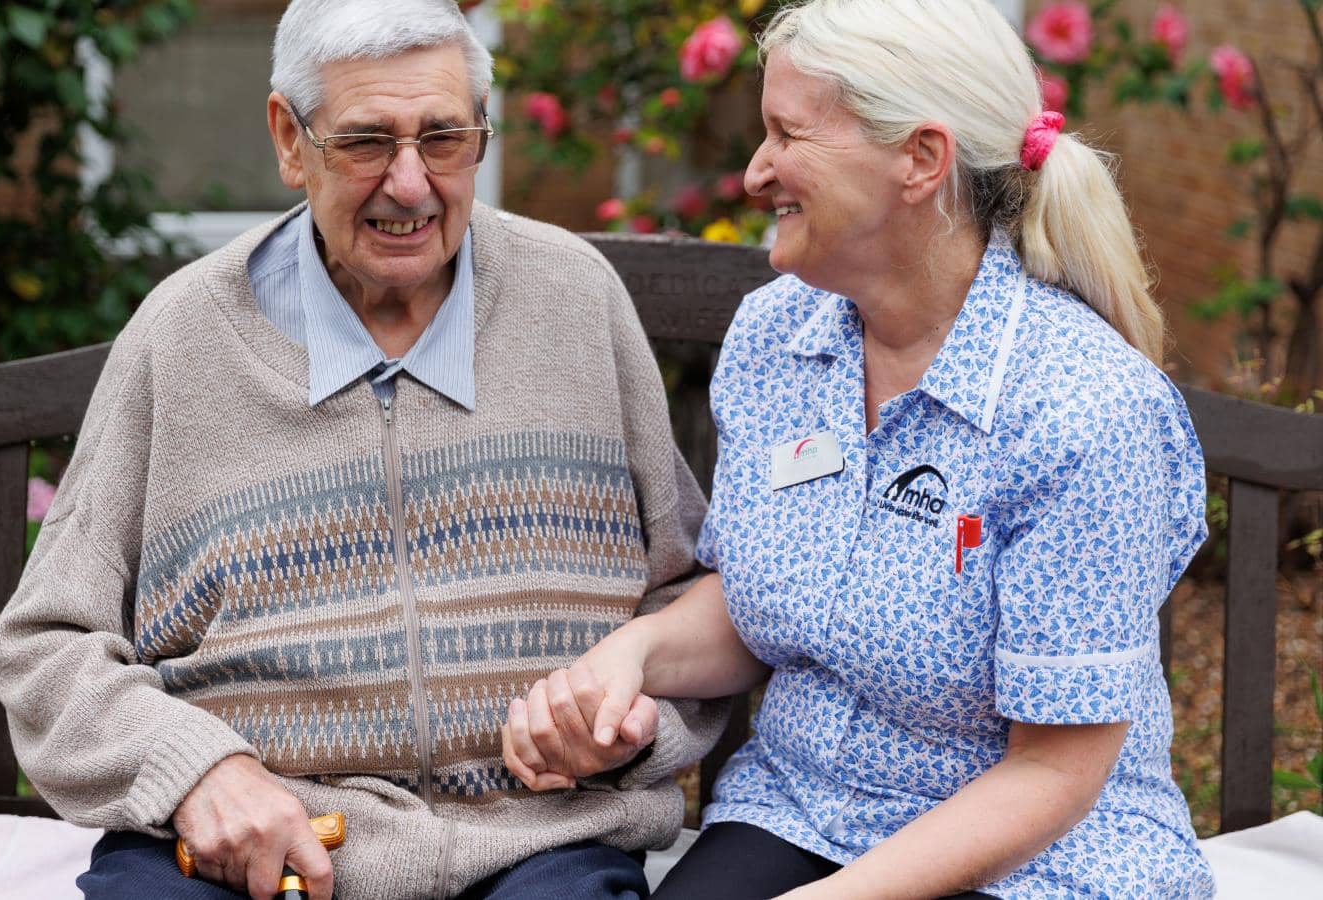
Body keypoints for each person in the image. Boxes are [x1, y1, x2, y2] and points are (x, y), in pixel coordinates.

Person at [0, 2, 726, 898]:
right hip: (248, 857)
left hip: (536, 844)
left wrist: (628, 721)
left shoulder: (575, 301)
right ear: (289, 141)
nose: (410, 184)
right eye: (368, 141)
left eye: (444, 138)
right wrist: (198, 770)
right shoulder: (182, 337)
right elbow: (46, 647)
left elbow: (686, 594)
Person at [502, 1, 1214, 897]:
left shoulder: (1082, 409)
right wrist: (631, 658)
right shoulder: (780, 334)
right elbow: (757, 596)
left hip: (1044, 856)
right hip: (805, 810)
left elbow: (1055, 774)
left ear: (920, 159)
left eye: (787, 134)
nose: (757, 170)